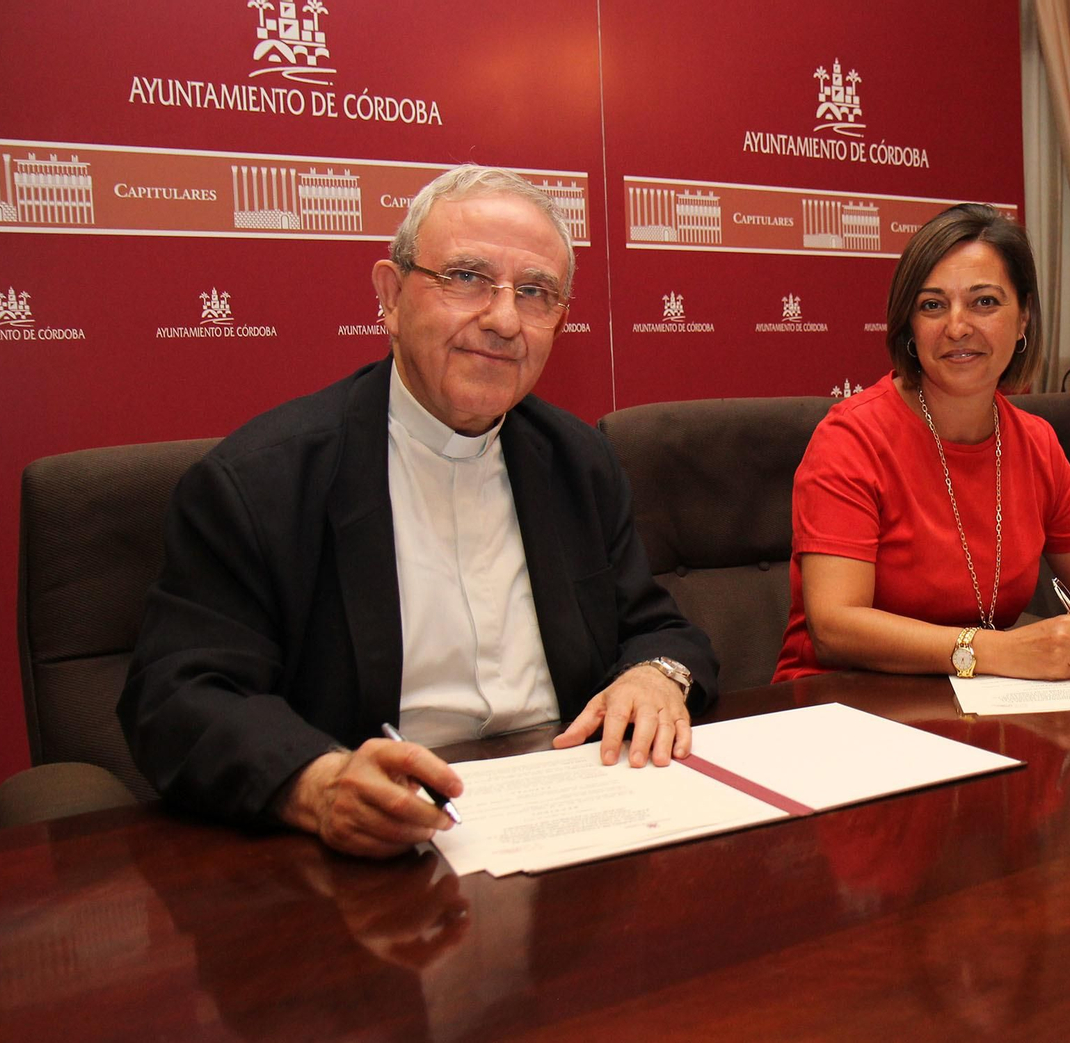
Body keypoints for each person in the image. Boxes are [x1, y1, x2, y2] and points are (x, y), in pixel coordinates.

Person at [119, 165, 718, 857]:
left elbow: (657, 627)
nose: (501, 320)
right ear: (391, 296)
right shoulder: (262, 481)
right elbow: (177, 694)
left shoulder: (576, 460)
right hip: (371, 855)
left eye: (535, 293)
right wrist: (319, 781)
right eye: (466, 277)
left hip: (576, 824)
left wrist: (655, 674)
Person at [773, 203, 1070, 683]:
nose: (957, 327)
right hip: (844, 706)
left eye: (984, 302)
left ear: (1024, 317)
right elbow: (835, 626)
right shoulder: (852, 438)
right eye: (932, 305)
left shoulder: (1035, 442)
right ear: (909, 326)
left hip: (988, 704)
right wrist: (998, 652)